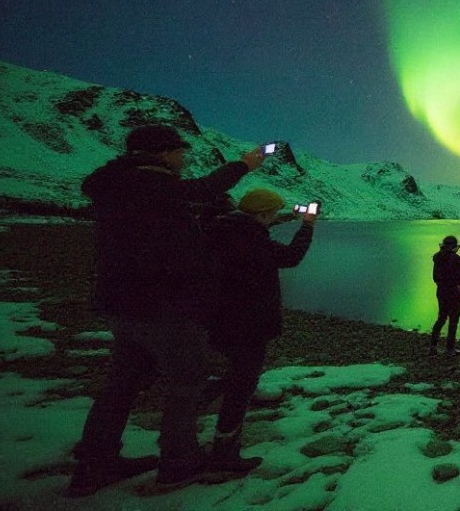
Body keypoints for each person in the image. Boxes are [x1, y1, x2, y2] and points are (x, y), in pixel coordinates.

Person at [68, 124, 264, 497]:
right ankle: (178, 462)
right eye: (179, 152)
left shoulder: (117, 186)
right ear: (163, 153)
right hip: (162, 304)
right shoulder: (148, 182)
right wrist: (244, 165)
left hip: (122, 302)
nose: (184, 158)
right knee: (186, 381)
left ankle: (96, 462)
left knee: (121, 383)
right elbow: (202, 191)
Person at [206, 188, 315, 473]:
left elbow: (251, 222)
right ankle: (224, 454)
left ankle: (201, 410)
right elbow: (291, 256)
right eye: (272, 213)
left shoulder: (221, 228)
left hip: (217, 317)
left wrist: (283, 218)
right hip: (248, 323)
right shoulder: (253, 242)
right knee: (242, 384)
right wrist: (307, 225)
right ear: (263, 214)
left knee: (231, 373)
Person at [430, 235, 460, 355]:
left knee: (442, 318)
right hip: (454, 293)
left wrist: (457, 248)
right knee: (453, 321)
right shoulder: (455, 258)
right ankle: (450, 349)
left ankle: (433, 346)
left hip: (441, 292)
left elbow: (435, 277)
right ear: (452, 246)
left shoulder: (438, 257)